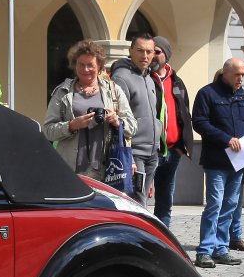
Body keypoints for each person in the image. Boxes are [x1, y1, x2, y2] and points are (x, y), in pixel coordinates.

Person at [192, 57, 244, 267]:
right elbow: (199, 122)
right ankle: (204, 251)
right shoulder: (207, 93)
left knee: (230, 206)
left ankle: (221, 249)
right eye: (237, 74)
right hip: (216, 161)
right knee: (214, 205)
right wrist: (226, 139)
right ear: (226, 73)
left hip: (238, 163)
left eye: (243, 75)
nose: (241, 78)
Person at [43, 40, 135, 182]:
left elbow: (132, 127)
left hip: (107, 169)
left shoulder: (114, 91)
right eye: (81, 64)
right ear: (74, 65)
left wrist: (117, 121)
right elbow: (48, 131)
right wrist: (72, 125)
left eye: (90, 65)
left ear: (99, 66)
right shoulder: (63, 92)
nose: (85, 69)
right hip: (70, 170)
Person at [110, 34, 161, 205]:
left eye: (149, 51)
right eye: (140, 50)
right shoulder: (121, 77)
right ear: (131, 51)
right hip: (134, 152)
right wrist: (129, 156)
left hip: (152, 151)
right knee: (136, 202)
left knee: (142, 201)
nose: (144, 56)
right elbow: (118, 117)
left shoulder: (149, 78)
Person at [150, 36, 192, 228]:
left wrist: (182, 145)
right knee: (139, 199)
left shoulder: (177, 81)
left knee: (165, 201)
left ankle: (162, 238)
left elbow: (184, 112)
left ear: (166, 55)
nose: (152, 55)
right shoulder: (145, 79)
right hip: (149, 150)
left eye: (157, 52)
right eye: (150, 51)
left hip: (173, 150)